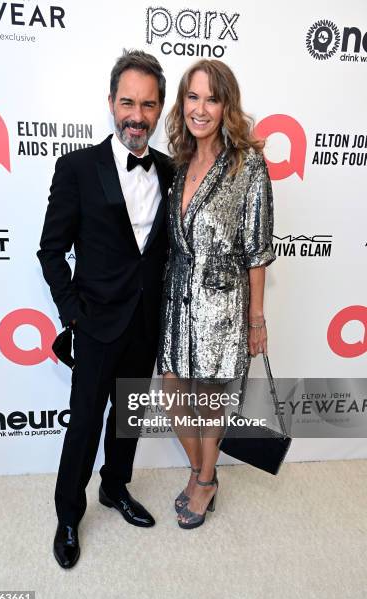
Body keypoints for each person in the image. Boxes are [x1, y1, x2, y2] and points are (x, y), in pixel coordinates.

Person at [37, 49, 173, 568]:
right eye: (127, 103)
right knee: (85, 424)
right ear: (110, 104)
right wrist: (73, 313)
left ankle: (115, 488)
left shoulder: (169, 170)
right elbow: (51, 250)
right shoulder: (76, 168)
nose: (136, 116)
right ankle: (68, 515)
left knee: (129, 418)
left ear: (160, 110)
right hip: (95, 323)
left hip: (146, 322)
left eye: (148, 105)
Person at [157, 59, 276, 529]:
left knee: (209, 401)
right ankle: (199, 469)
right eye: (192, 96)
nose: (200, 108)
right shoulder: (179, 163)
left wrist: (257, 320)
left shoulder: (248, 167)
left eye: (211, 98)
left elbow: (258, 252)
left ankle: (205, 480)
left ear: (226, 105)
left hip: (222, 308)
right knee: (171, 392)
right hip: (176, 305)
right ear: (182, 102)